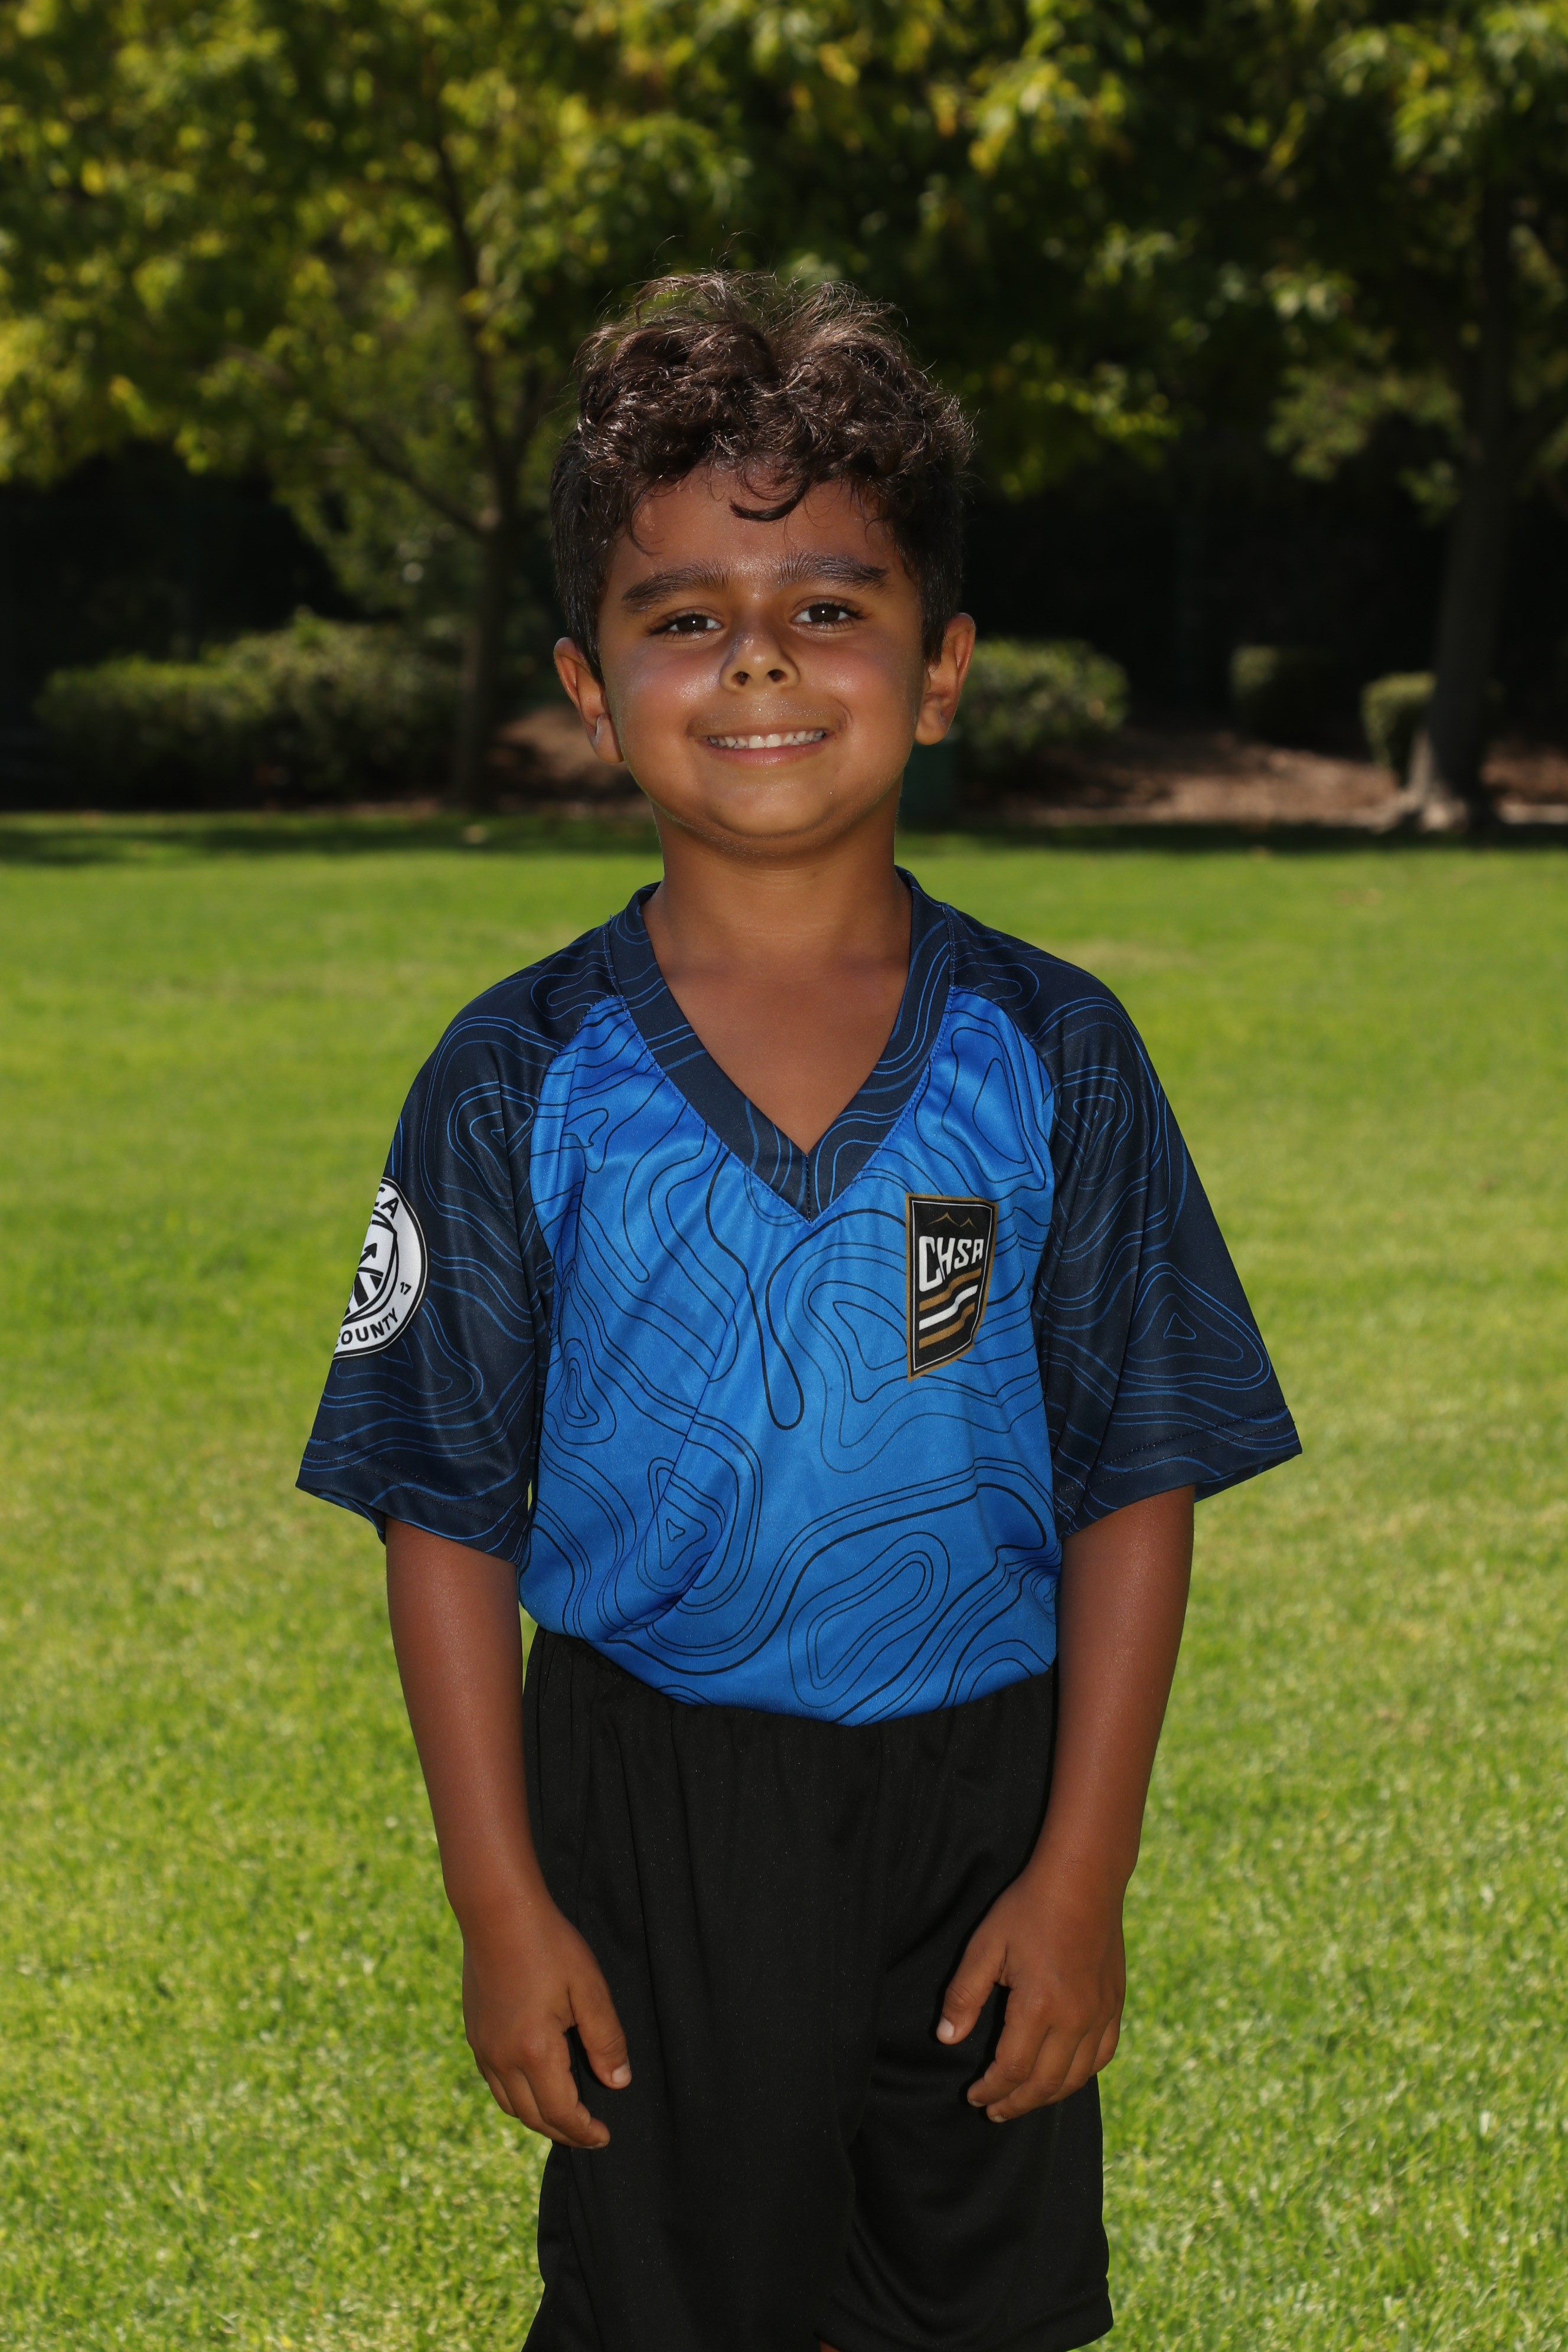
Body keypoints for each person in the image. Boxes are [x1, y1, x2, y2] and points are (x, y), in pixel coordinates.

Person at [298, 273, 1300, 2352]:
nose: (757, 656)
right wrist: (502, 1903)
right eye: (684, 615)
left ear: (941, 671)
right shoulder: (514, 1077)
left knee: (974, 2311)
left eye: (828, 605)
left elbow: (1138, 1468)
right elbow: (442, 1509)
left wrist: (1082, 1875)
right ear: (592, 688)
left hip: (983, 1795)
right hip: (651, 1807)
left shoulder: (1055, 1053)